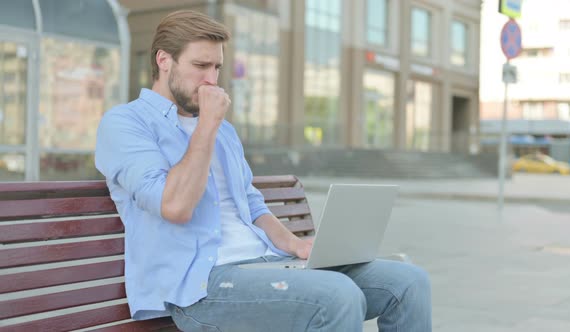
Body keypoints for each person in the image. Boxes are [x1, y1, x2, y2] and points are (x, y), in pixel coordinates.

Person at [95, 10, 431, 332]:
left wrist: (294, 244)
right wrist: (207, 125)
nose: (211, 79)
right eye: (200, 65)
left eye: (217, 67)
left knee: (408, 282)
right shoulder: (126, 124)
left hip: (263, 264)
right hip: (198, 286)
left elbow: (252, 204)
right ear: (164, 61)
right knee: (336, 296)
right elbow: (175, 206)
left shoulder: (223, 132)